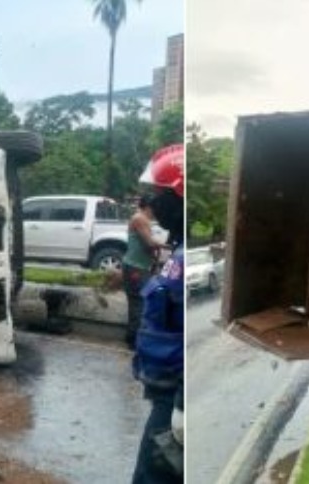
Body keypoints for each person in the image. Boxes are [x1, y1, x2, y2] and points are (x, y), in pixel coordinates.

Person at [131, 144, 184, 484]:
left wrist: (183, 404)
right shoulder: (178, 252)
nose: (153, 201)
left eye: (159, 194)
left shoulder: (183, 257)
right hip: (165, 393)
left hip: (174, 398)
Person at [123, 194, 165, 348]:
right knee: (139, 302)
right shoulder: (140, 219)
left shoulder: (142, 219)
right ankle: (134, 340)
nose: (157, 211)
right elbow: (149, 243)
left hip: (138, 266)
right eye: (156, 207)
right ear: (149, 207)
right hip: (136, 268)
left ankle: (132, 338)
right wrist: (166, 246)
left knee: (138, 302)